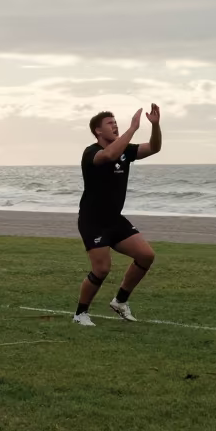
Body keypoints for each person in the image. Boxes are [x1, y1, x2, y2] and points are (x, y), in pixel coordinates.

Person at [73, 106, 162, 327]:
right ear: (98, 131)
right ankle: (80, 314)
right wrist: (133, 128)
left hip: (114, 219)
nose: (115, 125)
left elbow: (154, 147)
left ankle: (120, 301)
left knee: (146, 256)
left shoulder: (126, 150)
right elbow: (110, 155)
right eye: (109, 123)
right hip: (93, 221)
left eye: (116, 122)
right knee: (101, 269)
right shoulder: (91, 152)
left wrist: (155, 125)